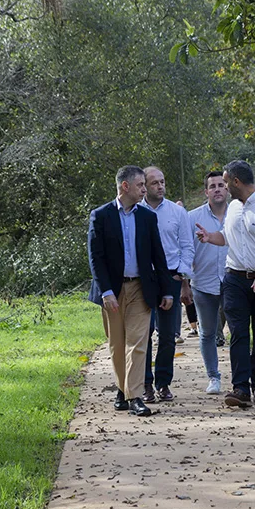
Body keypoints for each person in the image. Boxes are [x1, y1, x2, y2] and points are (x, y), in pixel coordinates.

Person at [195, 160, 255, 407]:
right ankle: (240, 388)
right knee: (237, 332)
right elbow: (227, 237)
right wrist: (210, 237)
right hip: (234, 278)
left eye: (226, 182)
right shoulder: (234, 207)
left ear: (236, 182)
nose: (224, 187)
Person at [88, 165, 173, 417]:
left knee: (138, 342)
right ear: (125, 186)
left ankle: (134, 396)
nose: (145, 189)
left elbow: (158, 256)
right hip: (112, 290)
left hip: (140, 288)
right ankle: (122, 389)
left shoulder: (147, 217)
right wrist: (106, 291)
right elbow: (95, 258)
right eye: (140, 185)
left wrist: (167, 290)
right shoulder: (100, 216)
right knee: (117, 344)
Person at [141, 166, 194, 403]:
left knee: (167, 334)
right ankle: (145, 383)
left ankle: (163, 383)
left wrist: (181, 276)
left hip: (170, 276)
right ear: (144, 186)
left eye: (162, 181)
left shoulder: (177, 212)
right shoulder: (136, 211)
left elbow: (187, 246)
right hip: (144, 277)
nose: (160, 186)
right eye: (154, 183)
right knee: (144, 332)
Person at [187, 171, 229, 395]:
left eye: (221, 185)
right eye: (212, 186)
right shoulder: (192, 218)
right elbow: (186, 251)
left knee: (239, 331)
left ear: (227, 188)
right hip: (203, 283)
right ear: (206, 192)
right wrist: (184, 283)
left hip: (233, 282)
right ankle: (213, 377)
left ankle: (242, 379)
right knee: (207, 333)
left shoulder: (238, 213)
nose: (217, 189)